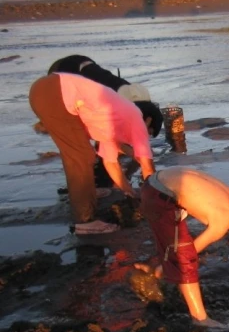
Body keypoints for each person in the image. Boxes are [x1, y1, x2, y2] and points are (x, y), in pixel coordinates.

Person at [137, 167, 229, 325]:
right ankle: (200, 318)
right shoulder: (223, 219)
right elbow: (188, 254)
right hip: (160, 196)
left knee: (175, 248)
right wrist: (173, 263)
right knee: (186, 258)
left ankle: (155, 271)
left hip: (158, 183)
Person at [28, 73, 158, 234]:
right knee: (81, 158)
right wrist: (155, 199)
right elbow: (147, 167)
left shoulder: (112, 122)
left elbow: (110, 163)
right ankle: (84, 221)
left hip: (48, 90)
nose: (147, 136)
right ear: (149, 121)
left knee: (81, 156)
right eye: (150, 132)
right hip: (55, 92)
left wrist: (129, 191)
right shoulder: (135, 116)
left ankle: (87, 193)